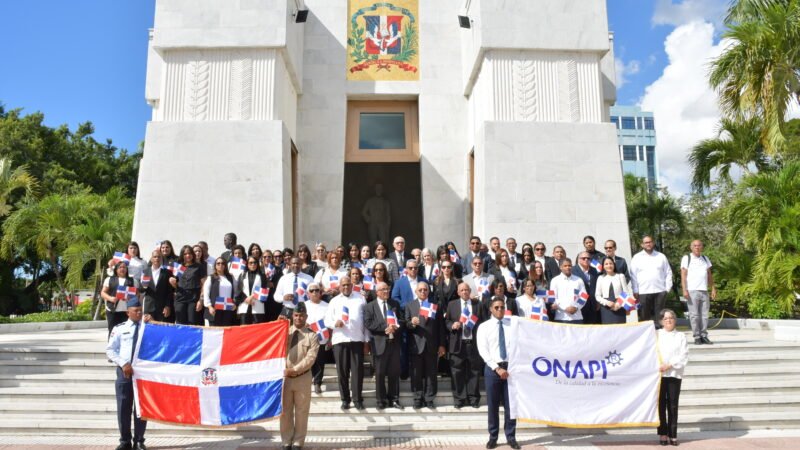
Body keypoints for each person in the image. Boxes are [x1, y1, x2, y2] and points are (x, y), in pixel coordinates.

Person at [477, 296, 520, 450]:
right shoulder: (484, 327)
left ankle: (511, 437)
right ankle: (493, 437)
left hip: (511, 369)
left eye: (502, 307)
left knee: (511, 406)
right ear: (490, 309)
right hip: (492, 370)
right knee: (493, 405)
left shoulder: (512, 324)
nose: (500, 310)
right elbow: (483, 351)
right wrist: (497, 368)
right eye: (496, 307)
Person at [106, 297, 148, 450]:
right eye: (135, 311)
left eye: (140, 311)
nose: (139, 313)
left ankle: (139, 440)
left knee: (140, 409)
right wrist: (123, 363)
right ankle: (124, 441)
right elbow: (110, 350)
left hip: (142, 374)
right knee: (124, 407)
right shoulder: (119, 328)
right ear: (127, 312)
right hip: (125, 373)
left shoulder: (147, 327)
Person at [324, 276, 368, 410]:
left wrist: (366, 340)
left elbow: (365, 322)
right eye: (343, 285)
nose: (346, 287)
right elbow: (327, 321)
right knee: (342, 372)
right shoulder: (334, 301)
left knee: (357, 372)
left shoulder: (361, 299)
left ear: (352, 285)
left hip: (356, 339)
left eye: (348, 285)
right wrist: (334, 323)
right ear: (339, 286)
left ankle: (357, 399)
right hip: (340, 339)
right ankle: (345, 399)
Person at [281, 302, 320, 450]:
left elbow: (310, 358)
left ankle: (298, 442)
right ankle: (286, 441)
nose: (298, 318)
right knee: (285, 412)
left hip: (302, 377)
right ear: (292, 316)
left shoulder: (312, 336)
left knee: (302, 412)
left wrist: (295, 369)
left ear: (306, 317)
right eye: (296, 315)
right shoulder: (284, 332)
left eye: (301, 316)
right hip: (285, 378)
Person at [364, 281, 404, 410]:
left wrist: (396, 327)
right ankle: (381, 400)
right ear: (377, 292)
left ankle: (394, 399)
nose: (386, 291)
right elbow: (368, 323)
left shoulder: (395, 304)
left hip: (394, 343)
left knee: (394, 373)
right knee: (380, 373)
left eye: (387, 289)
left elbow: (402, 320)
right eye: (383, 290)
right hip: (379, 343)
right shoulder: (370, 306)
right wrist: (385, 328)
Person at [404, 282, 445, 409]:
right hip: (416, 345)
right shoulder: (410, 306)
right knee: (416, 373)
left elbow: (440, 328)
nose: (423, 292)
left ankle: (429, 398)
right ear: (416, 292)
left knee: (431, 373)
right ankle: (417, 398)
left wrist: (442, 345)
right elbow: (405, 324)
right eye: (420, 290)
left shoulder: (435, 306)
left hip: (432, 345)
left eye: (425, 289)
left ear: (428, 291)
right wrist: (411, 323)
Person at [446, 282, 483, 409]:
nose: (464, 292)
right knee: (457, 372)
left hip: (473, 343)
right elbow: (447, 321)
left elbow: (483, 322)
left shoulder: (478, 304)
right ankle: (459, 399)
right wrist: (452, 325)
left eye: (466, 290)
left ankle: (473, 399)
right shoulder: (452, 305)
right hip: (458, 343)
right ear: (458, 292)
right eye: (462, 290)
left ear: (470, 291)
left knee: (474, 372)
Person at [656, 308, 689, 446]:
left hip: (674, 373)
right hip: (659, 374)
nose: (668, 320)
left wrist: (669, 365)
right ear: (661, 321)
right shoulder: (656, 334)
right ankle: (663, 434)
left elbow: (683, 355)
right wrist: (660, 366)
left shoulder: (681, 336)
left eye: (671, 318)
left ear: (675, 320)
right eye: (666, 318)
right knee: (661, 405)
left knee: (673, 405)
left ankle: (673, 434)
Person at [391, 259, 425, 379]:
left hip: (422, 318)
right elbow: (394, 297)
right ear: (406, 269)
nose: (413, 270)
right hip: (405, 317)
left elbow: (429, 296)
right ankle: (405, 371)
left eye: (415, 268)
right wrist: (409, 306)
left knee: (421, 344)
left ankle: (421, 373)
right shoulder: (400, 282)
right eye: (410, 268)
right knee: (405, 345)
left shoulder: (423, 281)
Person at [630, 235, 673, 326]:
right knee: (644, 316)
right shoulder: (637, 257)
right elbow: (633, 275)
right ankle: (645, 338)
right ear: (642, 244)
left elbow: (668, 272)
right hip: (643, 291)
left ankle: (661, 335)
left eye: (650, 242)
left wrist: (667, 288)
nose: (648, 244)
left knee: (660, 317)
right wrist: (635, 290)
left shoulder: (661, 256)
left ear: (653, 243)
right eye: (646, 242)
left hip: (660, 290)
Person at [680, 240, 717, 345]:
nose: (697, 247)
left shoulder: (705, 259)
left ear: (702, 247)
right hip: (692, 290)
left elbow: (709, 275)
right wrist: (684, 289)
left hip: (704, 290)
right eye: (695, 246)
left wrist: (713, 288)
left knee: (705, 315)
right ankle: (697, 336)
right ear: (691, 247)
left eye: (699, 245)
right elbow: (683, 275)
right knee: (694, 315)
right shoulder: (687, 258)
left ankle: (704, 335)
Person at [304, 283, 331, 395]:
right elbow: (297, 318)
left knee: (319, 362)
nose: (314, 292)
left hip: (321, 337)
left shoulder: (327, 305)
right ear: (308, 293)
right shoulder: (304, 305)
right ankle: (307, 382)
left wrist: (330, 339)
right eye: (312, 290)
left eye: (317, 290)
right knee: (308, 361)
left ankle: (317, 383)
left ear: (321, 293)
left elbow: (329, 323)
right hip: (307, 338)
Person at [170, 245, 206, 325]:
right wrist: (173, 283)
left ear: (193, 254)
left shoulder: (199, 267)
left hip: (193, 298)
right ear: (182, 255)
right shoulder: (179, 267)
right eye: (185, 254)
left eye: (189, 253)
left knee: (192, 322)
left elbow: (204, 284)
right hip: (180, 298)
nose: (188, 255)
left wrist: (201, 300)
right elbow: (176, 285)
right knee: (180, 322)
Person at [102, 262, 139, 335]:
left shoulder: (133, 281)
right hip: (112, 310)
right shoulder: (109, 279)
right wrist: (110, 298)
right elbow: (103, 292)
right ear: (116, 269)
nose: (122, 269)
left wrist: (132, 299)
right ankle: (112, 346)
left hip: (127, 311)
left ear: (127, 269)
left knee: (126, 332)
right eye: (120, 267)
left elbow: (137, 294)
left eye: (124, 267)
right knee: (112, 331)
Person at [549, 258, 587, 324]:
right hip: (561, 317)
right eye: (565, 266)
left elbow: (584, 296)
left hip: (577, 317)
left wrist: (576, 307)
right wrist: (565, 308)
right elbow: (553, 298)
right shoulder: (555, 280)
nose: (568, 267)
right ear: (560, 267)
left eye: (569, 265)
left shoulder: (578, 280)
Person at [139, 250, 174, 323]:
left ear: (161, 259)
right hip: (149, 307)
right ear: (151, 259)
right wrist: (143, 286)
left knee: (161, 331)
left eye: (159, 257)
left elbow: (169, 291)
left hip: (162, 308)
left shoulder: (167, 272)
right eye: (155, 257)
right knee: (149, 330)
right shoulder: (145, 272)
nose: (157, 258)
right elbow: (141, 290)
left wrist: (168, 306)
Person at [595, 256, 632, 324]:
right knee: (608, 330)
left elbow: (626, 293)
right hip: (606, 308)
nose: (609, 265)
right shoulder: (600, 278)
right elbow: (597, 295)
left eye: (610, 263)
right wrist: (607, 302)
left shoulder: (621, 276)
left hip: (619, 307)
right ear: (603, 266)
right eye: (606, 264)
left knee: (620, 329)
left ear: (614, 265)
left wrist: (618, 305)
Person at [203, 257, 238, 326]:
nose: (220, 265)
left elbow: (235, 292)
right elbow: (206, 293)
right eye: (218, 263)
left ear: (225, 265)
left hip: (227, 310)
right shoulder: (211, 277)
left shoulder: (230, 277)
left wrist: (234, 303)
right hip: (214, 309)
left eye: (222, 263)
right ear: (215, 266)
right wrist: (209, 307)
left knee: (225, 331)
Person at [237, 256, 270, 324]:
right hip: (244, 305)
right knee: (244, 330)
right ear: (247, 264)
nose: (253, 264)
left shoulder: (262, 276)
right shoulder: (242, 275)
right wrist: (246, 299)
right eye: (251, 263)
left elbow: (264, 290)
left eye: (255, 263)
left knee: (256, 330)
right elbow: (238, 289)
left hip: (257, 305)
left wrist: (252, 297)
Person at [573, 251, 601, 324]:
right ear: (578, 259)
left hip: (593, 305)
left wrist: (597, 302)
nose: (586, 260)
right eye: (583, 258)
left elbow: (596, 287)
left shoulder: (594, 270)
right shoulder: (573, 270)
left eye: (588, 258)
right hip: (579, 305)